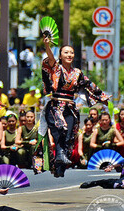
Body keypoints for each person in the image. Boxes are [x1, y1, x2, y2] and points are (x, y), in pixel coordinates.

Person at [41, 35, 110, 178]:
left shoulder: (77, 73)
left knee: (69, 136)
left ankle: (60, 166)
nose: (69, 55)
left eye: (71, 52)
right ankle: (59, 158)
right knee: (60, 128)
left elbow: (89, 85)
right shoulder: (56, 68)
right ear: (60, 55)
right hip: (55, 106)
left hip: (70, 107)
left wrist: (102, 97)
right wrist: (47, 46)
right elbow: (50, 59)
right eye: (66, 52)